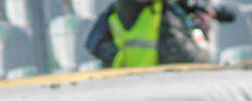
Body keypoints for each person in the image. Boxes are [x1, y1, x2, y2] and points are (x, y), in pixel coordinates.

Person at [84, 0, 236, 68]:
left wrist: (207, 17)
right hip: (137, 81)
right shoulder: (124, 7)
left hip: (181, 78)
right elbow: (94, 44)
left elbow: (229, 15)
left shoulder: (175, 7)